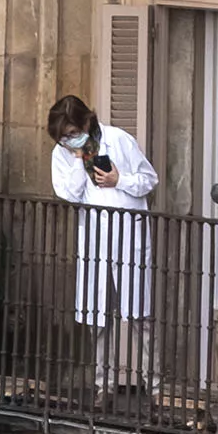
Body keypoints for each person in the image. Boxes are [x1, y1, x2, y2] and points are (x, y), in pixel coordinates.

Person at [48, 91, 159, 389]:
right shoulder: (61, 155)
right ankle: (103, 385)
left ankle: (155, 386)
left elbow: (149, 180)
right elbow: (67, 194)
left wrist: (118, 180)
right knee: (98, 316)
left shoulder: (119, 139)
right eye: (62, 137)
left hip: (129, 235)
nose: (67, 140)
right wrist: (76, 159)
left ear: (86, 122)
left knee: (140, 314)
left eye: (72, 133)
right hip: (95, 239)